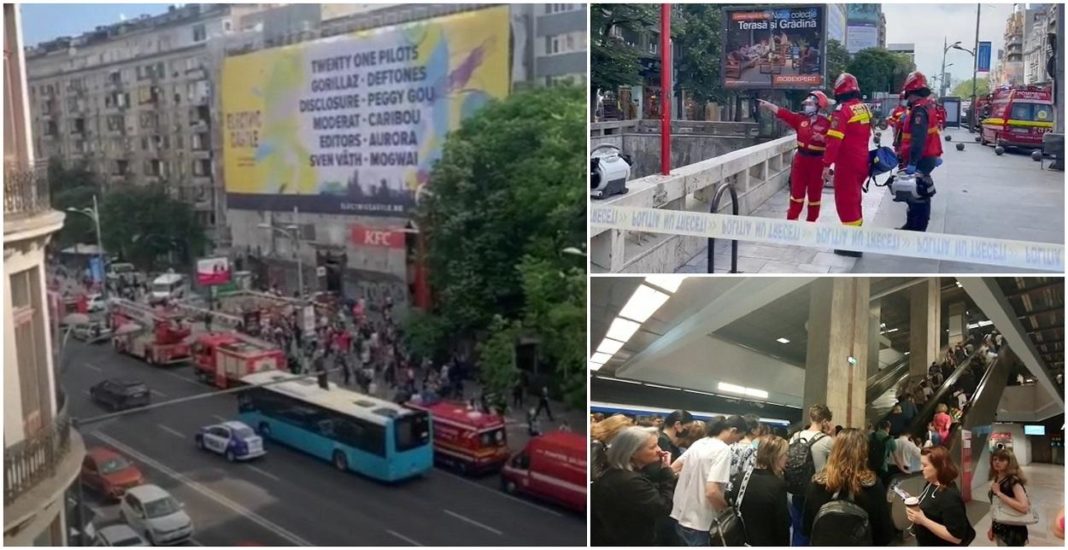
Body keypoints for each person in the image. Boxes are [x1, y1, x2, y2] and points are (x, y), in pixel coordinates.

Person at [801, 428, 895, 545]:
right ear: (864, 453)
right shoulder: (873, 486)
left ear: (834, 451)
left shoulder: (817, 483)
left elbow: (806, 528)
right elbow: (884, 534)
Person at [669, 415, 748, 546]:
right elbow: (712, 492)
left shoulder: (700, 442)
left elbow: (673, 468)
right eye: (739, 437)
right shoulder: (722, 450)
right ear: (733, 430)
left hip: (680, 516)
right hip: (702, 522)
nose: (736, 442)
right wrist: (726, 511)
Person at [591, 427, 677, 546]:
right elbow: (663, 507)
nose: (659, 450)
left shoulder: (614, 472)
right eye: (653, 447)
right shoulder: (631, 482)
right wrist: (667, 471)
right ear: (633, 452)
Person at [757, 91, 832, 221]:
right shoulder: (800, 119)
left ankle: (811, 224)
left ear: (818, 106)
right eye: (806, 104)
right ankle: (791, 221)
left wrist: (823, 138)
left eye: (810, 104)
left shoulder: (826, 123)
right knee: (796, 194)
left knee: (815, 196)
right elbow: (784, 114)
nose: (807, 106)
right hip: (800, 160)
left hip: (818, 162)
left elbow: (834, 142)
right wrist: (769, 105)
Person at [823, 73, 872, 256]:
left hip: (847, 164)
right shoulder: (864, 109)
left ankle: (852, 246)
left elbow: (834, 141)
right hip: (862, 161)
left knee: (846, 203)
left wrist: (826, 164)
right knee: (855, 200)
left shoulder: (842, 111)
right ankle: (855, 238)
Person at [897, 71, 942, 232]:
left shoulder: (919, 110)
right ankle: (912, 225)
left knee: (918, 194)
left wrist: (913, 163)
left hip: (920, 158)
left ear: (911, 92)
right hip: (927, 156)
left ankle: (917, 228)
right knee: (918, 192)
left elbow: (918, 139)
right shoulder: (926, 106)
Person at [786, 404, 835, 546]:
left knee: (798, 528)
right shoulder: (827, 441)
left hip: (795, 489)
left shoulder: (796, 436)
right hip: (817, 492)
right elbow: (838, 461)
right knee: (814, 529)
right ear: (825, 421)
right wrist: (832, 434)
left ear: (810, 417)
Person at [727, 435, 790, 546]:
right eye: (785, 454)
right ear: (777, 457)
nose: (787, 458)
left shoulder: (741, 478)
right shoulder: (777, 485)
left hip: (741, 540)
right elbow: (781, 525)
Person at [907, 446, 974, 545]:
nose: (921, 468)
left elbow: (956, 537)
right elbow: (931, 502)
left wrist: (923, 520)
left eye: (925, 465)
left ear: (939, 467)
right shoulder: (931, 483)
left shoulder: (950, 496)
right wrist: (917, 500)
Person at [988, 448, 1031, 546]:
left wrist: (999, 493)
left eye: (1002, 460)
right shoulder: (997, 478)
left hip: (1013, 532)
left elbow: (1024, 507)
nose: (997, 462)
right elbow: (996, 505)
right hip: (1000, 527)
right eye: (995, 459)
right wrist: (992, 528)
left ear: (1010, 462)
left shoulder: (1013, 481)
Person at [868, 420, 896, 485]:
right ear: (887, 428)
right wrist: (902, 468)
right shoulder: (890, 439)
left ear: (879, 427)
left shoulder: (871, 436)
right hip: (883, 467)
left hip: (870, 465)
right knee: (882, 484)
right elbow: (896, 456)